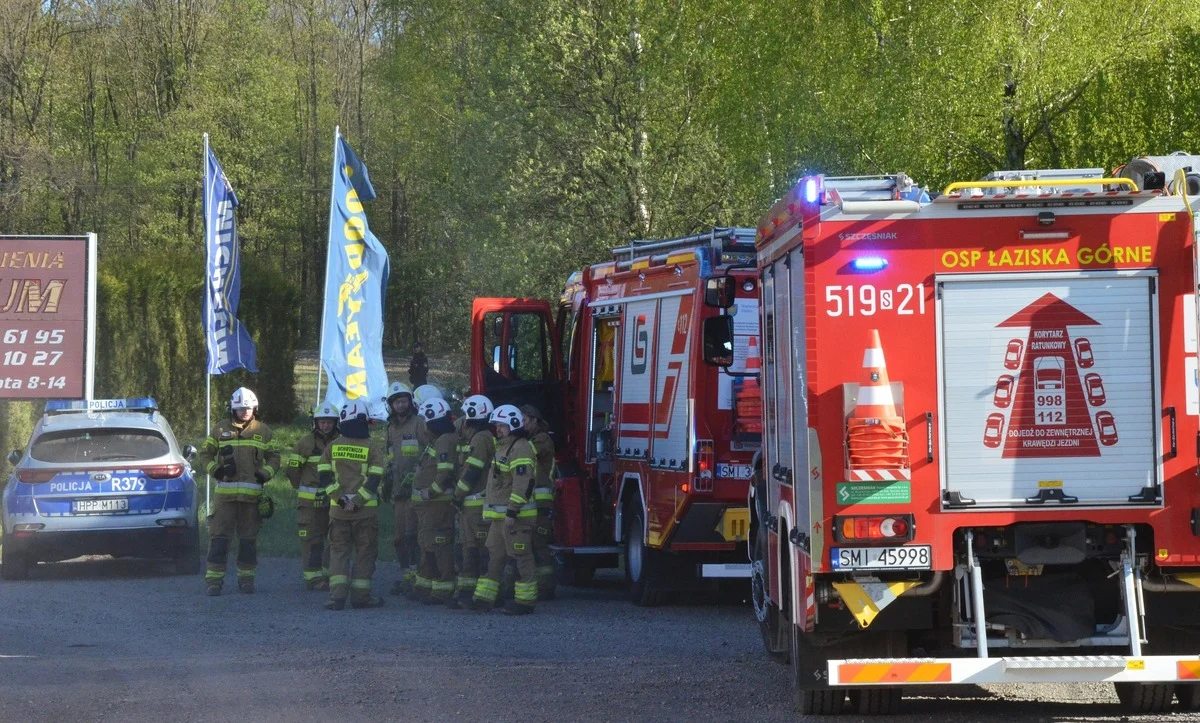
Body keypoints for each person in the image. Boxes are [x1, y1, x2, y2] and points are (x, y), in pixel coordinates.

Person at [198, 387, 279, 596]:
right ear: (232, 408)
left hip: (251, 499)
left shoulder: (263, 431)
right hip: (225, 498)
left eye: (249, 408)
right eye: (241, 408)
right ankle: (214, 582)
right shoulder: (219, 429)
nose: (245, 412)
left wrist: (265, 473)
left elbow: (275, 457)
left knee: (248, 541)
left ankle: (246, 580)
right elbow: (205, 454)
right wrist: (215, 471)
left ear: (255, 408)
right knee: (219, 539)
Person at [319, 401, 387, 610]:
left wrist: (340, 500)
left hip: (338, 511)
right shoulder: (372, 447)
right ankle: (361, 597)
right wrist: (356, 502)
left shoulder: (332, 446)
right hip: (364, 512)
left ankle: (336, 597)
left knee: (339, 552)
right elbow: (375, 480)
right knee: (365, 552)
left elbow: (324, 476)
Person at [473, 405, 538, 615]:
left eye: (502, 426)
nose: (498, 429)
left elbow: (523, 483)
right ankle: (483, 598)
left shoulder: (520, 447)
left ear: (513, 425)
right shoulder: (503, 447)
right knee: (493, 556)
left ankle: (524, 602)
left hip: (516, 518)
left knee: (520, 558)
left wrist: (512, 511)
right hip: (499, 518)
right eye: (497, 426)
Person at [409, 397, 459, 604]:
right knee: (427, 544)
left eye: (426, 422)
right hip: (428, 507)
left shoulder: (445, 439)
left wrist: (432, 491)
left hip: (437, 505)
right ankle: (426, 586)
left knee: (438, 545)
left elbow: (445, 471)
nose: (425, 427)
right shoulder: (437, 440)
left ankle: (442, 589)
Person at [448, 395, 496, 609]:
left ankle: (483, 595)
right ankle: (467, 592)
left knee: (478, 550)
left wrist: (457, 494)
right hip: (471, 504)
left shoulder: (481, 439)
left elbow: (472, 471)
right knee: (469, 549)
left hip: (476, 504)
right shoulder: (477, 437)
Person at [286, 402, 340, 590]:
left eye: (329, 422)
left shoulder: (341, 441)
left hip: (334, 501)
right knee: (311, 539)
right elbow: (293, 470)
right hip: (309, 504)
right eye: (322, 422)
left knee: (335, 537)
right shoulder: (305, 443)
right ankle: (313, 577)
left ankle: (329, 574)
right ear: (316, 423)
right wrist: (303, 489)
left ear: (336, 423)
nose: (326, 426)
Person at [382, 382, 422, 596]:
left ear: (410, 402)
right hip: (398, 493)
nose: (401, 405)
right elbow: (390, 457)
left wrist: (419, 472)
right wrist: (387, 481)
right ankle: (407, 577)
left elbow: (429, 452)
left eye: (404, 401)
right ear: (391, 405)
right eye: (397, 402)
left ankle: (418, 579)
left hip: (415, 492)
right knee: (398, 538)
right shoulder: (390, 428)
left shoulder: (419, 424)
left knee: (412, 536)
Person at [522, 404, 557, 600]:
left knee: (539, 545)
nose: (521, 424)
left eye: (524, 421)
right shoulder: (530, 439)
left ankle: (545, 587)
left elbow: (525, 454)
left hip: (541, 503)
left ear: (535, 420)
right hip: (532, 502)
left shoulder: (542, 439)